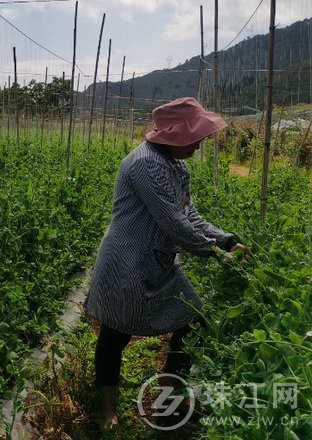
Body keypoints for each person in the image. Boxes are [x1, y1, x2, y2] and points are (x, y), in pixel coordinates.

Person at [84, 97, 249, 427]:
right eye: (197, 136)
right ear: (176, 135)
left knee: (195, 317)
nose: (201, 144)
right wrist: (215, 254)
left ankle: (169, 400)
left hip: (157, 261)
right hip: (127, 262)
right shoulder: (145, 164)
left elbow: (189, 214)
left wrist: (226, 240)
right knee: (115, 333)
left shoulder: (177, 166)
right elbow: (173, 223)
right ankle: (107, 407)